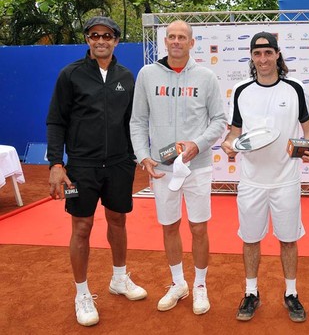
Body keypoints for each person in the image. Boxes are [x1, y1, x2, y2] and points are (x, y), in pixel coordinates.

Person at [46, 16, 147, 327]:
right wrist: (55, 163)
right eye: (94, 35)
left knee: (118, 220)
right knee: (82, 227)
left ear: (116, 40)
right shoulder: (70, 75)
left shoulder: (128, 77)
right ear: (87, 39)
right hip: (81, 167)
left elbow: (136, 122)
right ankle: (82, 293)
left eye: (107, 35)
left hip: (119, 164)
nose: (101, 40)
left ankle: (119, 278)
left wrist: (138, 156)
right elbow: (56, 121)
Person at [130, 20, 227, 315]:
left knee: (198, 227)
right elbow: (137, 121)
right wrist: (143, 156)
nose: (176, 41)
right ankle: (177, 283)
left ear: (191, 42)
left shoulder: (206, 77)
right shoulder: (147, 74)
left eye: (181, 37)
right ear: (165, 41)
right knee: (169, 226)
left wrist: (197, 144)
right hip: (162, 167)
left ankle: (199, 285)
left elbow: (220, 121)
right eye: (171, 36)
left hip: (197, 167)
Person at [221, 32, 309, 323]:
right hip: (251, 181)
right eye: (257, 54)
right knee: (251, 239)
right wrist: (228, 145)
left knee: (288, 240)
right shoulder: (241, 90)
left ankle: (291, 293)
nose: (262, 59)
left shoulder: (295, 88)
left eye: (268, 53)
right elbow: (234, 133)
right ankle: (251, 292)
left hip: (286, 179)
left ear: (277, 54)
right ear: (251, 57)